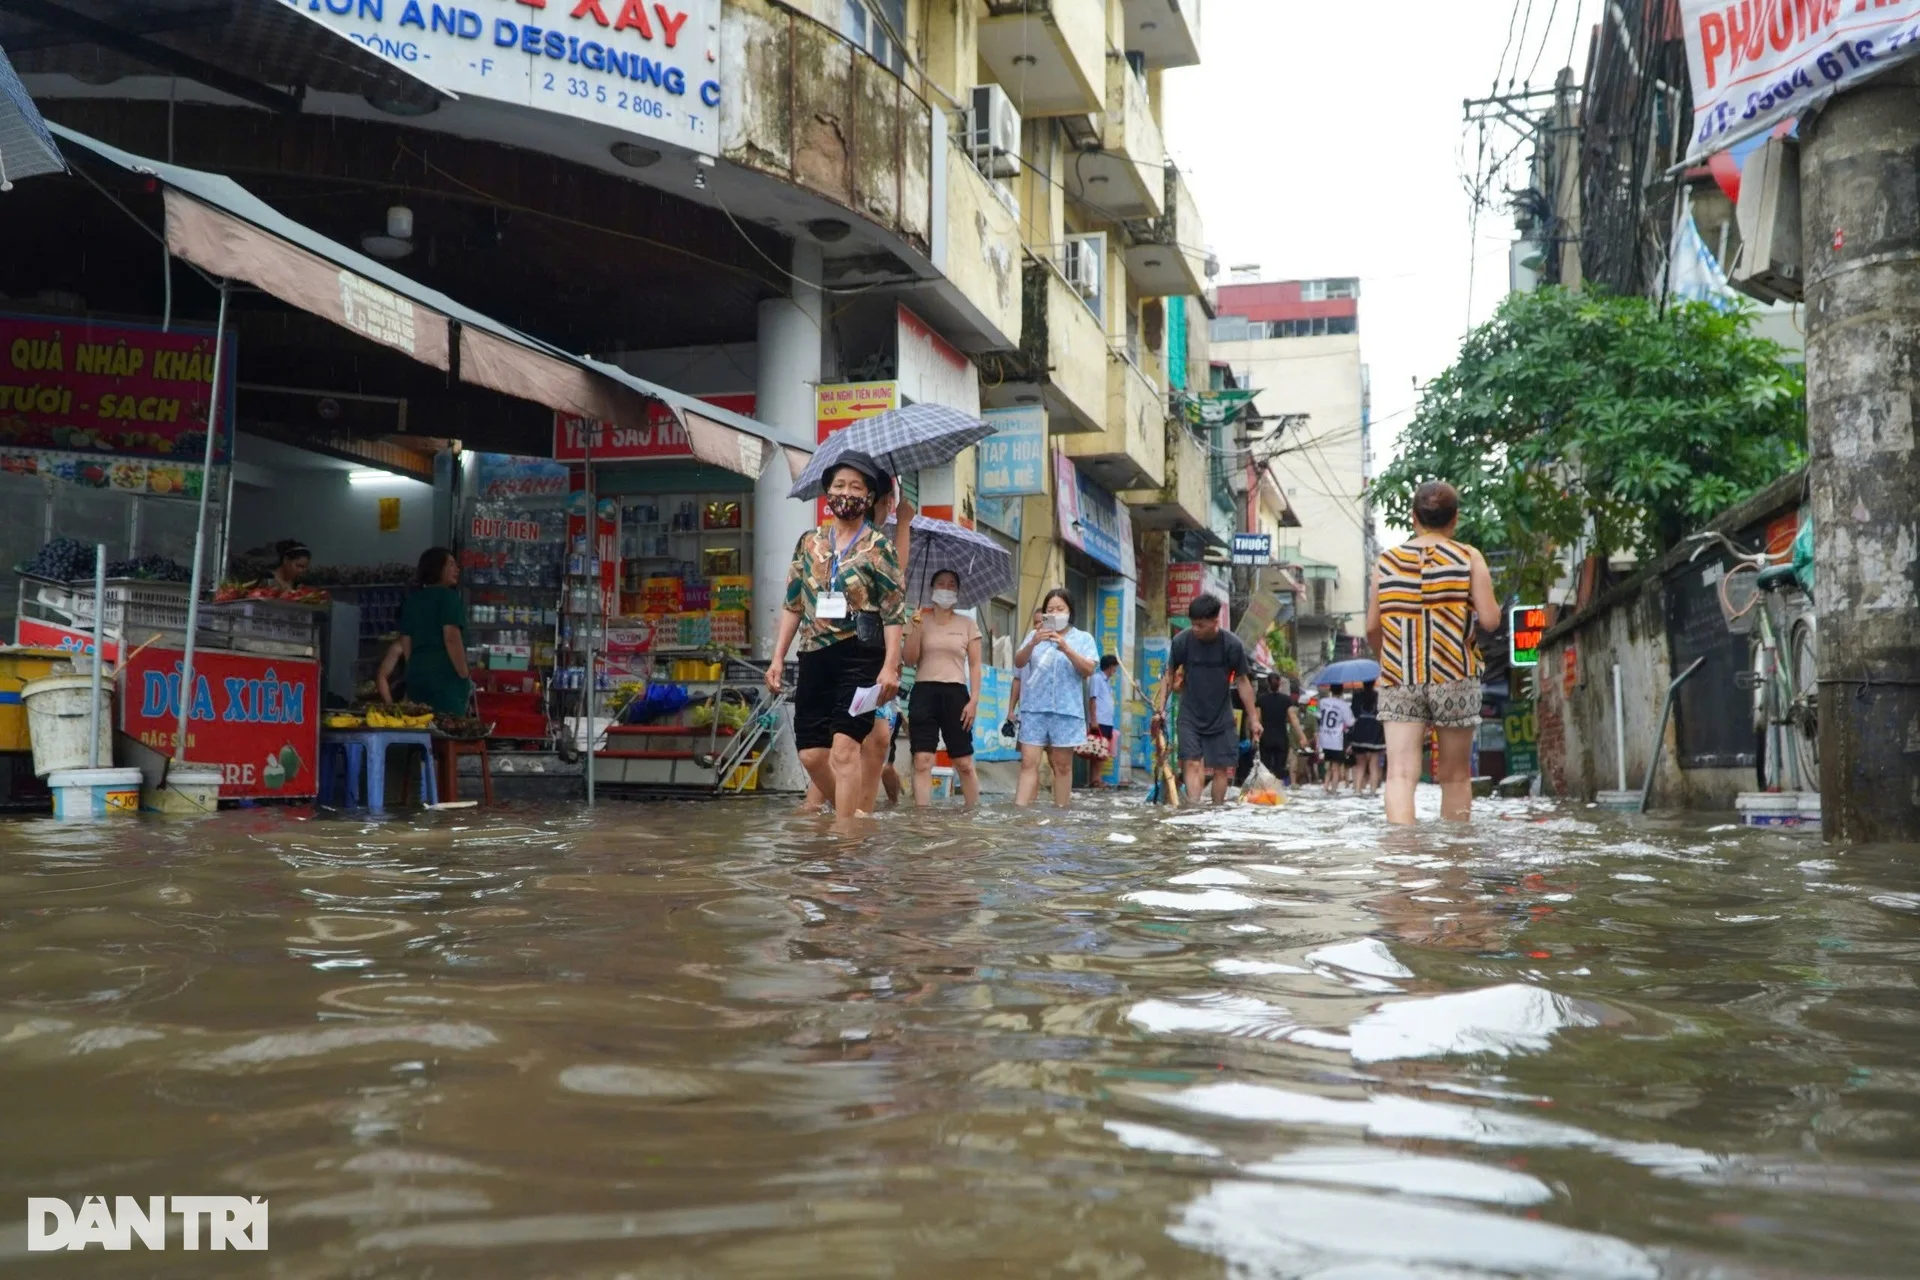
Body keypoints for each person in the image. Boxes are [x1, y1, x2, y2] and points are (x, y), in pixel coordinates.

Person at [767, 459, 908, 817]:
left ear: (869, 496)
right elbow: (792, 604)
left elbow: (893, 613)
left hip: (862, 655)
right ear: (827, 492)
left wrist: (891, 666)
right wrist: (777, 657)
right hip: (814, 654)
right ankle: (854, 818)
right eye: (839, 485)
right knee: (812, 755)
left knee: (845, 749)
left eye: (856, 487)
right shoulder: (809, 543)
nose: (846, 493)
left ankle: (845, 842)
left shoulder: (879, 548)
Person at [1367, 479, 1502, 824]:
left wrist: (1390, 660)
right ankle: (1454, 864)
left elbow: (1371, 628)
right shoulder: (1469, 557)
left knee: (1400, 774)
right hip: (1455, 674)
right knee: (1455, 776)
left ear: (1414, 517)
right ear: (1454, 519)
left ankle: (1404, 861)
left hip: (1399, 677)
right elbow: (1489, 620)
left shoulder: (1386, 562)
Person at [1154, 594, 1260, 806]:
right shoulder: (1181, 641)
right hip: (1189, 715)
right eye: (1193, 624)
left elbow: (1242, 682)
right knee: (1192, 763)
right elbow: (1169, 674)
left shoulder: (1232, 645)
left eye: (1200, 625)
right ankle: (1194, 810)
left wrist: (1254, 719)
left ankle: (1217, 811)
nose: (1195, 629)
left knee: (1221, 769)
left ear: (1215, 622)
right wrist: (1161, 709)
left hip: (1221, 715)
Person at [1013, 588, 1100, 807]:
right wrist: (1033, 642)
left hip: (1066, 711)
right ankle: (1020, 814)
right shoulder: (1035, 636)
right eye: (1050, 609)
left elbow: (1089, 669)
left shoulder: (1083, 638)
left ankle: (1061, 815)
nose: (1055, 612)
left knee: (1062, 766)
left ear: (1070, 611)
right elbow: (1019, 662)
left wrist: (1066, 648)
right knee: (1028, 763)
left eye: (1060, 608)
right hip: (1034, 709)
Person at [903, 568, 982, 807]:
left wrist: (973, 701)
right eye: (940, 584)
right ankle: (922, 817)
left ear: (957, 592)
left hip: (956, 695)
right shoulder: (918, 618)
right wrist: (915, 627)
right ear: (931, 589)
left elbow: (976, 665)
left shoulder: (967, 624)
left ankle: (972, 814)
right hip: (923, 693)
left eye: (951, 585)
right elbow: (908, 659)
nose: (945, 589)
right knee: (923, 760)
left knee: (964, 763)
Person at [375, 547, 472, 715]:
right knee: (448, 727)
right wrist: (464, 674)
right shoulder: (448, 597)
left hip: (416, 675)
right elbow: (451, 637)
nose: (457, 569)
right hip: (444, 677)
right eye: (451, 564)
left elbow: (407, 642)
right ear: (437, 568)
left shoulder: (411, 601)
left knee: (420, 726)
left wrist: (416, 669)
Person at [1255, 675, 1302, 785]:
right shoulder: (1286, 700)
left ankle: (1265, 790)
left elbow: (1257, 720)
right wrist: (1302, 736)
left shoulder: (1261, 700)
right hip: (1281, 738)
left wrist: (1255, 736)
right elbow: (1293, 719)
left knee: (1265, 766)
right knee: (1279, 768)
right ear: (1279, 684)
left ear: (1268, 684)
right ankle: (1278, 791)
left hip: (1266, 738)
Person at [1086, 654, 1119, 788]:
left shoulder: (1106, 682)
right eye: (1114, 668)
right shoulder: (1096, 679)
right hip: (1099, 721)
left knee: (1102, 751)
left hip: (1107, 721)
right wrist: (1094, 720)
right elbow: (1092, 699)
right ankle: (1095, 779)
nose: (1115, 671)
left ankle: (1097, 778)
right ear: (1110, 667)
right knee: (1097, 750)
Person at [1348, 679, 1386, 795]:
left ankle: (1357, 789)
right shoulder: (1379, 696)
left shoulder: (1357, 696)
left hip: (1360, 731)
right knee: (1374, 765)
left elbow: (1354, 712)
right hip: (1375, 731)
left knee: (1360, 764)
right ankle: (1373, 791)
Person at [1318, 683, 1356, 793]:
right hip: (1336, 740)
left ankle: (1325, 787)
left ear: (1330, 690)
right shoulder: (1344, 705)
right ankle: (1334, 791)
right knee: (1336, 767)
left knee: (1328, 766)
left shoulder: (1322, 701)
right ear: (1342, 691)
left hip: (1324, 739)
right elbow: (1350, 722)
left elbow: (1314, 713)